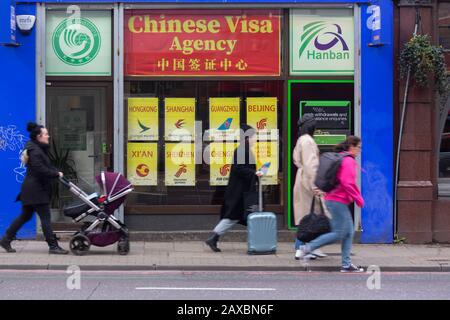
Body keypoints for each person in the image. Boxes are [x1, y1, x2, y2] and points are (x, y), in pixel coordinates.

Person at [298, 136, 364, 272]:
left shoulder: (341, 157)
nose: (359, 150)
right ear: (352, 147)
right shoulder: (348, 161)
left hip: (334, 199)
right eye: (359, 147)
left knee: (349, 232)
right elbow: (347, 182)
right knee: (338, 233)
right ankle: (307, 248)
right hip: (337, 200)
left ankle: (346, 264)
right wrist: (358, 198)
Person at [0, 122, 68, 254]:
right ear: (38, 136)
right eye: (46, 134)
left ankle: (6, 239)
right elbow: (39, 169)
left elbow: (45, 166)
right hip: (36, 190)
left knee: (25, 216)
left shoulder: (37, 149)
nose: (48, 136)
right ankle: (53, 246)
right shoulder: (36, 151)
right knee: (45, 218)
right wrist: (55, 173)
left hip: (32, 189)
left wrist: (55, 171)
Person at [205, 125, 263, 252]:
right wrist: (254, 173)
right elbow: (239, 168)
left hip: (241, 190)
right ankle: (257, 243)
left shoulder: (244, 150)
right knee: (238, 216)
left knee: (241, 217)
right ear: (247, 138)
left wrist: (255, 173)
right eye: (254, 136)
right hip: (239, 191)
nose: (255, 139)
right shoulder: (242, 150)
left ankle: (214, 238)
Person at [293, 114, 327, 260]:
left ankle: (309, 247)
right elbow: (311, 165)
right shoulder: (307, 141)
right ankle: (303, 248)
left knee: (307, 216)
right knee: (310, 216)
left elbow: (298, 160)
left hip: (302, 179)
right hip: (307, 181)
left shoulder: (301, 139)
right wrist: (315, 184)